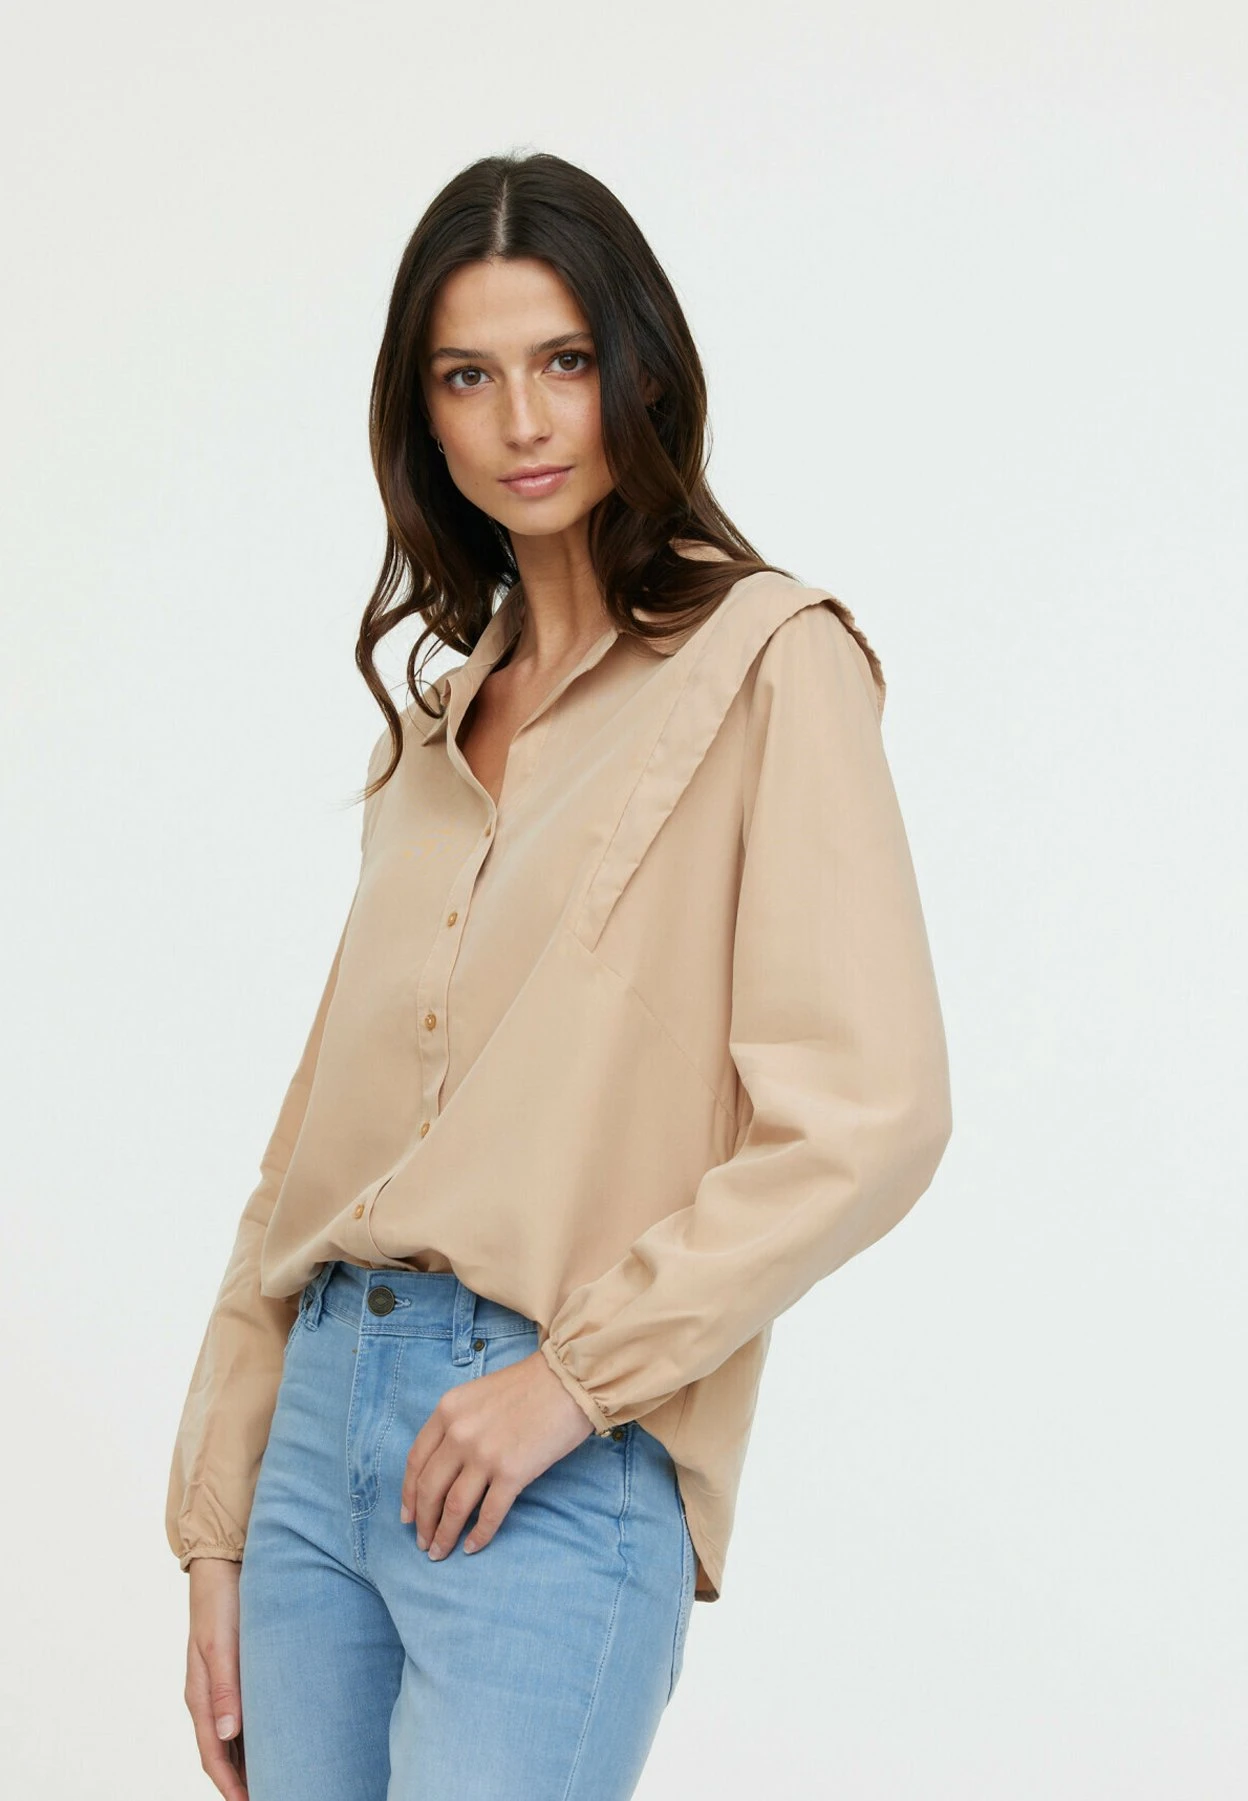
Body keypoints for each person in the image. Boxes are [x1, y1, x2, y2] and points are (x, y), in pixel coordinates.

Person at [167, 149, 953, 1801]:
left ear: (636, 373)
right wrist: (219, 1526)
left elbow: (868, 1115)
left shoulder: (770, 662)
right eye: (469, 375)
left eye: (564, 361)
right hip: (314, 1442)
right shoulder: (432, 735)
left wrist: (573, 1383)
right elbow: (308, 1159)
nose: (523, 421)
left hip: (546, 1451)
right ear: (423, 418)